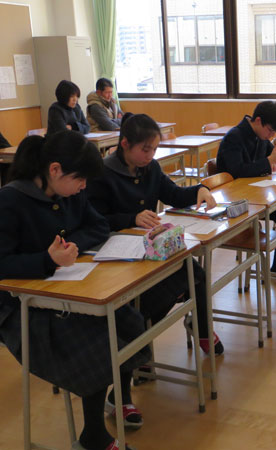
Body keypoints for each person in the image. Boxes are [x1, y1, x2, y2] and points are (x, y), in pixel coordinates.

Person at [0, 131, 147, 450]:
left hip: (71, 290)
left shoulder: (69, 192)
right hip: (21, 308)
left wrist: (69, 246)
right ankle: (93, 436)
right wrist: (47, 259)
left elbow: (98, 226)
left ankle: (120, 397)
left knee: (129, 322)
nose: (83, 187)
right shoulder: (10, 200)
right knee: (97, 343)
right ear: (54, 170)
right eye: (80, 179)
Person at [86, 113, 224, 358]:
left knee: (196, 275)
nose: (150, 155)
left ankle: (200, 328)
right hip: (117, 253)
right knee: (157, 293)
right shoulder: (102, 174)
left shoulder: (150, 168)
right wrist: (131, 218)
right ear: (125, 144)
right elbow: (95, 221)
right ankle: (138, 345)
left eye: (154, 149)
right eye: (145, 149)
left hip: (151, 248)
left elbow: (173, 194)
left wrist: (199, 190)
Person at [216, 101, 276, 275]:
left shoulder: (260, 136)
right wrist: (269, 162)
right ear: (258, 120)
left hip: (255, 194)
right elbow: (237, 171)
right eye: (270, 130)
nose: (271, 136)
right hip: (236, 200)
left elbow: (271, 157)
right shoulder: (234, 137)